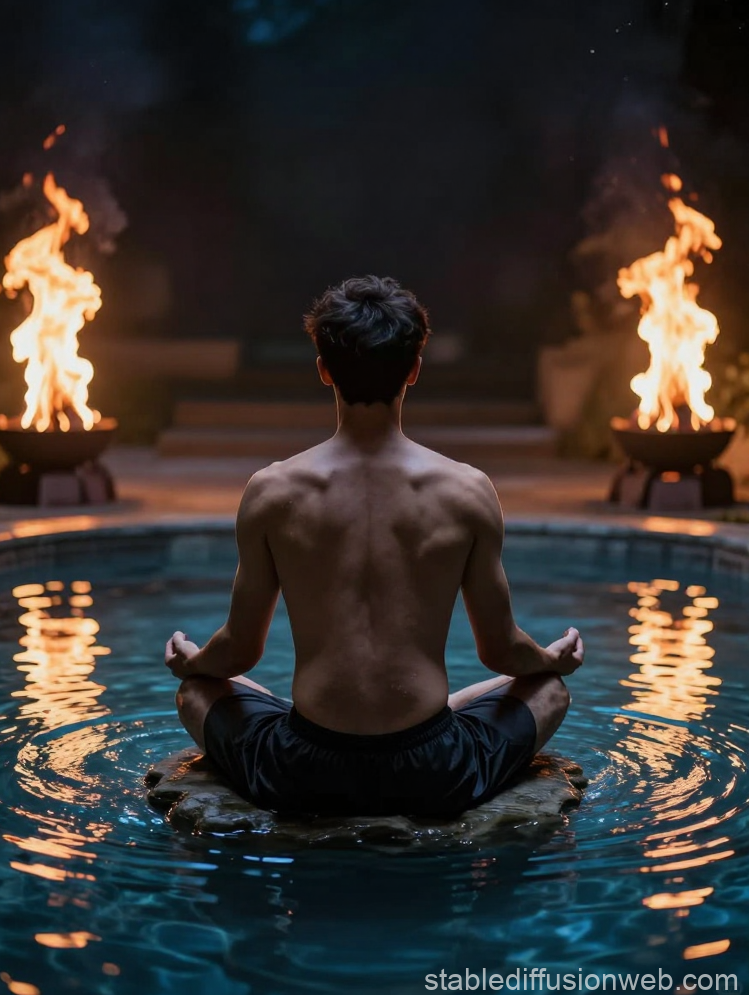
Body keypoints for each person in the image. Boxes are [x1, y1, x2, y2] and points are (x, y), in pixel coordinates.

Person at [165, 275, 583, 817]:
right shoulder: (467, 490)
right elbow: (501, 652)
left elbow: (240, 651)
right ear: (414, 369)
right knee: (548, 689)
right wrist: (550, 660)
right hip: (434, 771)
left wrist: (193, 662)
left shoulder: (271, 490)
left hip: (303, 771)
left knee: (198, 691)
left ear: (323, 369)